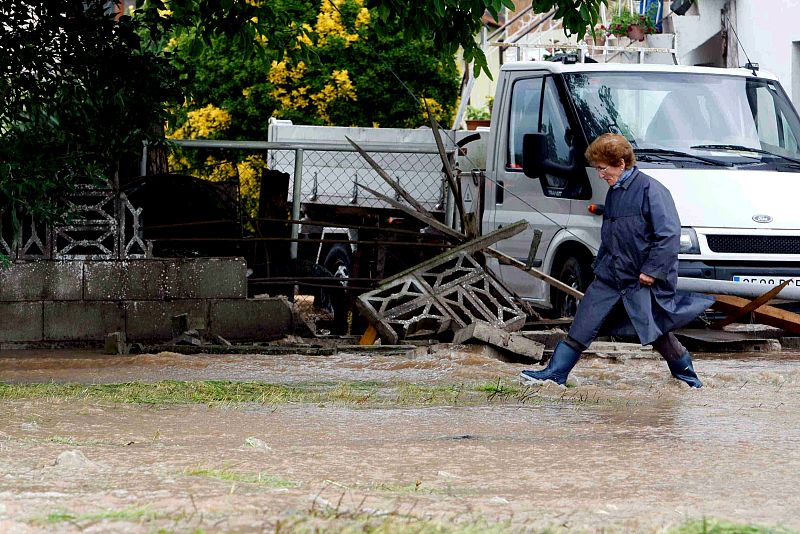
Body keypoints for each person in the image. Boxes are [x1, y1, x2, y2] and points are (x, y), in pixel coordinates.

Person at [521, 133, 714, 388]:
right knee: (583, 323)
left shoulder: (652, 191)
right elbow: (611, 235)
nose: (600, 174)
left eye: (603, 168)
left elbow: (668, 235)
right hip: (610, 277)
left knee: (657, 334)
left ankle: (689, 381)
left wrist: (652, 271)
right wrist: (598, 267)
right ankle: (555, 373)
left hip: (641, 280)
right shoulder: (614, 192)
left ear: (621, 164)